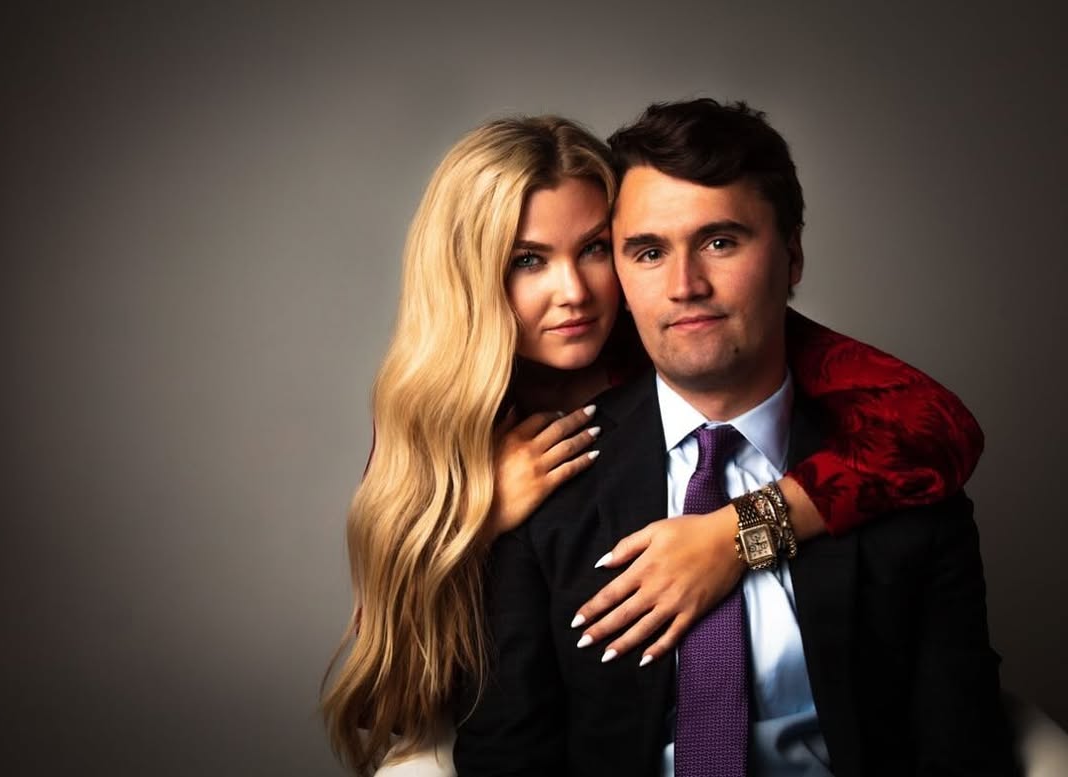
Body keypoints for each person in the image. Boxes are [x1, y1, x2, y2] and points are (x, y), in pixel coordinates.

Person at [322, 115, 987, 776]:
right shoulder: (436, 419)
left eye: (593, 249)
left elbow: (939, 429)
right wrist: (477, 516)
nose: (574, 293)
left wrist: (736, 534)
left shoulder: (691, 329)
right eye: (528, 260)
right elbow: (391, 701)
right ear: (468, 278)